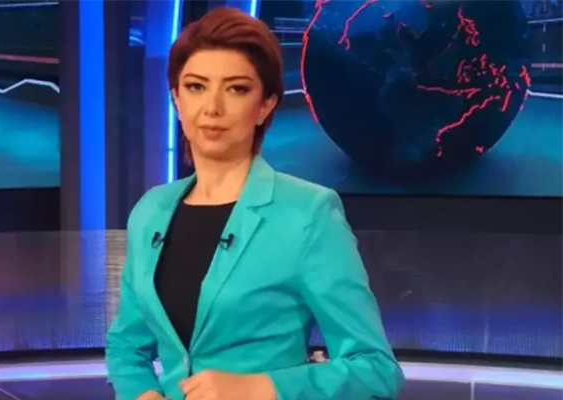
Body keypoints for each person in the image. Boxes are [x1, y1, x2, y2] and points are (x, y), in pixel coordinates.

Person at [105, 6, 404, 400]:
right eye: (195, 87)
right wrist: (143, 394)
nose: (212, 107)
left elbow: (376, 370)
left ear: (265, 105)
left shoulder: (307, 213)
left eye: (236, 89)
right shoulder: (150, 211)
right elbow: (126, 346)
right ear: (177, 100)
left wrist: (260, 387)